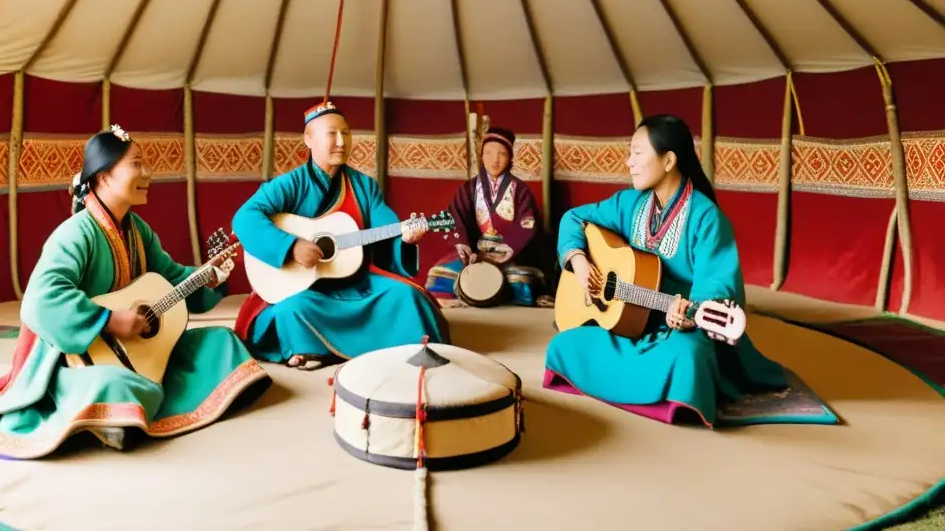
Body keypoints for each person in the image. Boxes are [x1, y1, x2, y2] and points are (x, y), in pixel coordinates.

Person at [0, 125, 272, 459]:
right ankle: (118, 407)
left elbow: (170, 278)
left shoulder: (138, 230)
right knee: (115, 383)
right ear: (104, 176)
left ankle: (125, 413)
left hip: (138, 352)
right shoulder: (75, 233)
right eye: (137, 164)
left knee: (221, 343)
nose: (148, 172)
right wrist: (107, 320)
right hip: (72, 359)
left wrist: (207, 277)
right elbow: (41, 298)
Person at [544, 114, 788, 427]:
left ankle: (650, 389)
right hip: (631, 322)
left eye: (637, 152)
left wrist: (690, 312)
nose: (628, 161)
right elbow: (574, 219)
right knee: (563, 345)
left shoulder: (706, 218)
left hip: (680, 327)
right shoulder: (629, 204)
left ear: (668, 159)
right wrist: (579, 262)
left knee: (689, 359)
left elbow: (719, 283)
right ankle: (647, 389)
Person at [232, 101, 450, 371]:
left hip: (357, 281)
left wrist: (405, 239)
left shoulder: (364, 186)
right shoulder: (291, 184)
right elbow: (245, 218)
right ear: (308, 139)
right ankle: (316, 346)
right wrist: (290, 247)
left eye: (346, 133)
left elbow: (388, 227)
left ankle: (322, 347)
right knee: (291, 309)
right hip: (307, 288)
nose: (341, 141)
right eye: (331, 133)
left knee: (407, 297)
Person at [425, 127, 555, 307]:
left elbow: (527, 224)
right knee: (440, 273)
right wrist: (466, 248)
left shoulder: (520, 190)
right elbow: (456, 217)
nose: (495, 159)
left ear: (510, 158)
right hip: (476, 253)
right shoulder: (469, 189)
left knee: (520, 279)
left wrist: (504, 250)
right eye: (488, 153)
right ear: (481, 156)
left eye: (501, 153)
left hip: (511, 254)